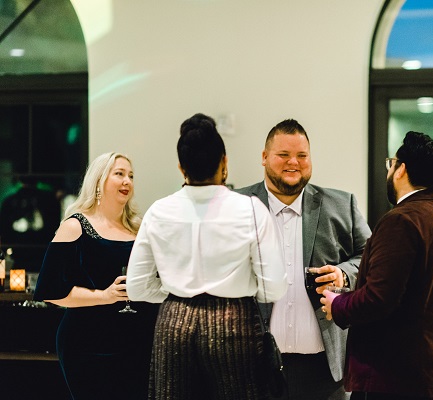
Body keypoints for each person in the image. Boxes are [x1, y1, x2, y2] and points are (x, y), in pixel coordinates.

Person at [126, 113, 288, 400]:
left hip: (173, 323)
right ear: (224, 162)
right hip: (234, 322)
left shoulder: (159, 211)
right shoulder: (250, 210)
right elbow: (273, 288)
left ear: (181, 167)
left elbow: (137, 288)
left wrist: (176, 294)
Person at [321, 131, 433, 399]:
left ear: (401, 169)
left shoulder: (401, 220)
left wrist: (338, 305)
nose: (389, 171)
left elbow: (379, 298)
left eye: (390, 164)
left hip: (397, 377)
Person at [237, 118, 371, 400]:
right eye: (283, 155)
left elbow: (372, 257)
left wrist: (344, 274)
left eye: (302, 156)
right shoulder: (236, 205)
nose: (293, 163)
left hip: (325, 370)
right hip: (254, 366)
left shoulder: (342, 204)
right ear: (264, 157)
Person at [32, 152, 159, 400]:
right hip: (88, 344)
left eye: (131, 176)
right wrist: (105, 296)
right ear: (99, 180)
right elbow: (51, 292)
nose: (127, 181)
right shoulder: (75, 226)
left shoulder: (140, 227)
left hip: (138, 341)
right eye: (119, 174)